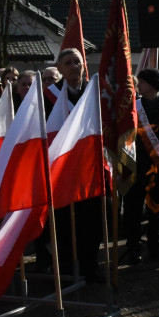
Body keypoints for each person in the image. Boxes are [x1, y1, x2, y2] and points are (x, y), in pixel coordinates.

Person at [47, 48, 105, 283]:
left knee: (91, 220)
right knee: (62, 223)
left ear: (84, 65)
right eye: (68, 63)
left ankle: (90, 266)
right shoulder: (49, 96)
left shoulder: (95, 92)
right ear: (59, 69)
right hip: (61, 170)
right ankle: (66, 270)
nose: (74, 66)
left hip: (90, 168)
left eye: (77, 62)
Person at [122, 68, 159, 263]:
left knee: (157, 210)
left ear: (152, 85)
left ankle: (155, 247)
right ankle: (133, 248)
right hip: (137, 166)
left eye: (142, 82)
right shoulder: (134, 107)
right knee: (133, 211)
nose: (139, 86)